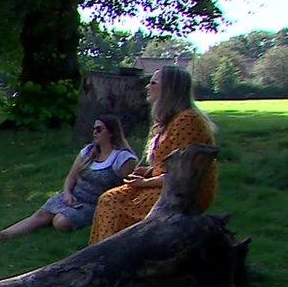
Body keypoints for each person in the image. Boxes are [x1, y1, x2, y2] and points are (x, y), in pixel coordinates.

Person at [89, 66, 218, 244]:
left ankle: (114, 257)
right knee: (109, 198)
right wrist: (148, 171)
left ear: (169, 89)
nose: (147, 87)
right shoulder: (165, 121)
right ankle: (101, 254)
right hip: (163, 184)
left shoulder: (188, 120)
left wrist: (146, 182)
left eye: (153, 83)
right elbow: (165, 164)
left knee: (114, 205)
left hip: (184, 193)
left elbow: (185, 174)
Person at [0, 115, 137, 244]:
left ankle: (68, 219)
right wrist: (68, 193)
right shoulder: (88, 152)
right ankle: (1, 235)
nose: (94, 132)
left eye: (99, 129)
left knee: (60, 222)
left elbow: (129, 186)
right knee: (40, 216)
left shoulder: (122, 158)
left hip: (93, 203)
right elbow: (71, 176)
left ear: (111, 133)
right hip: (73, 196)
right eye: (93, 129)